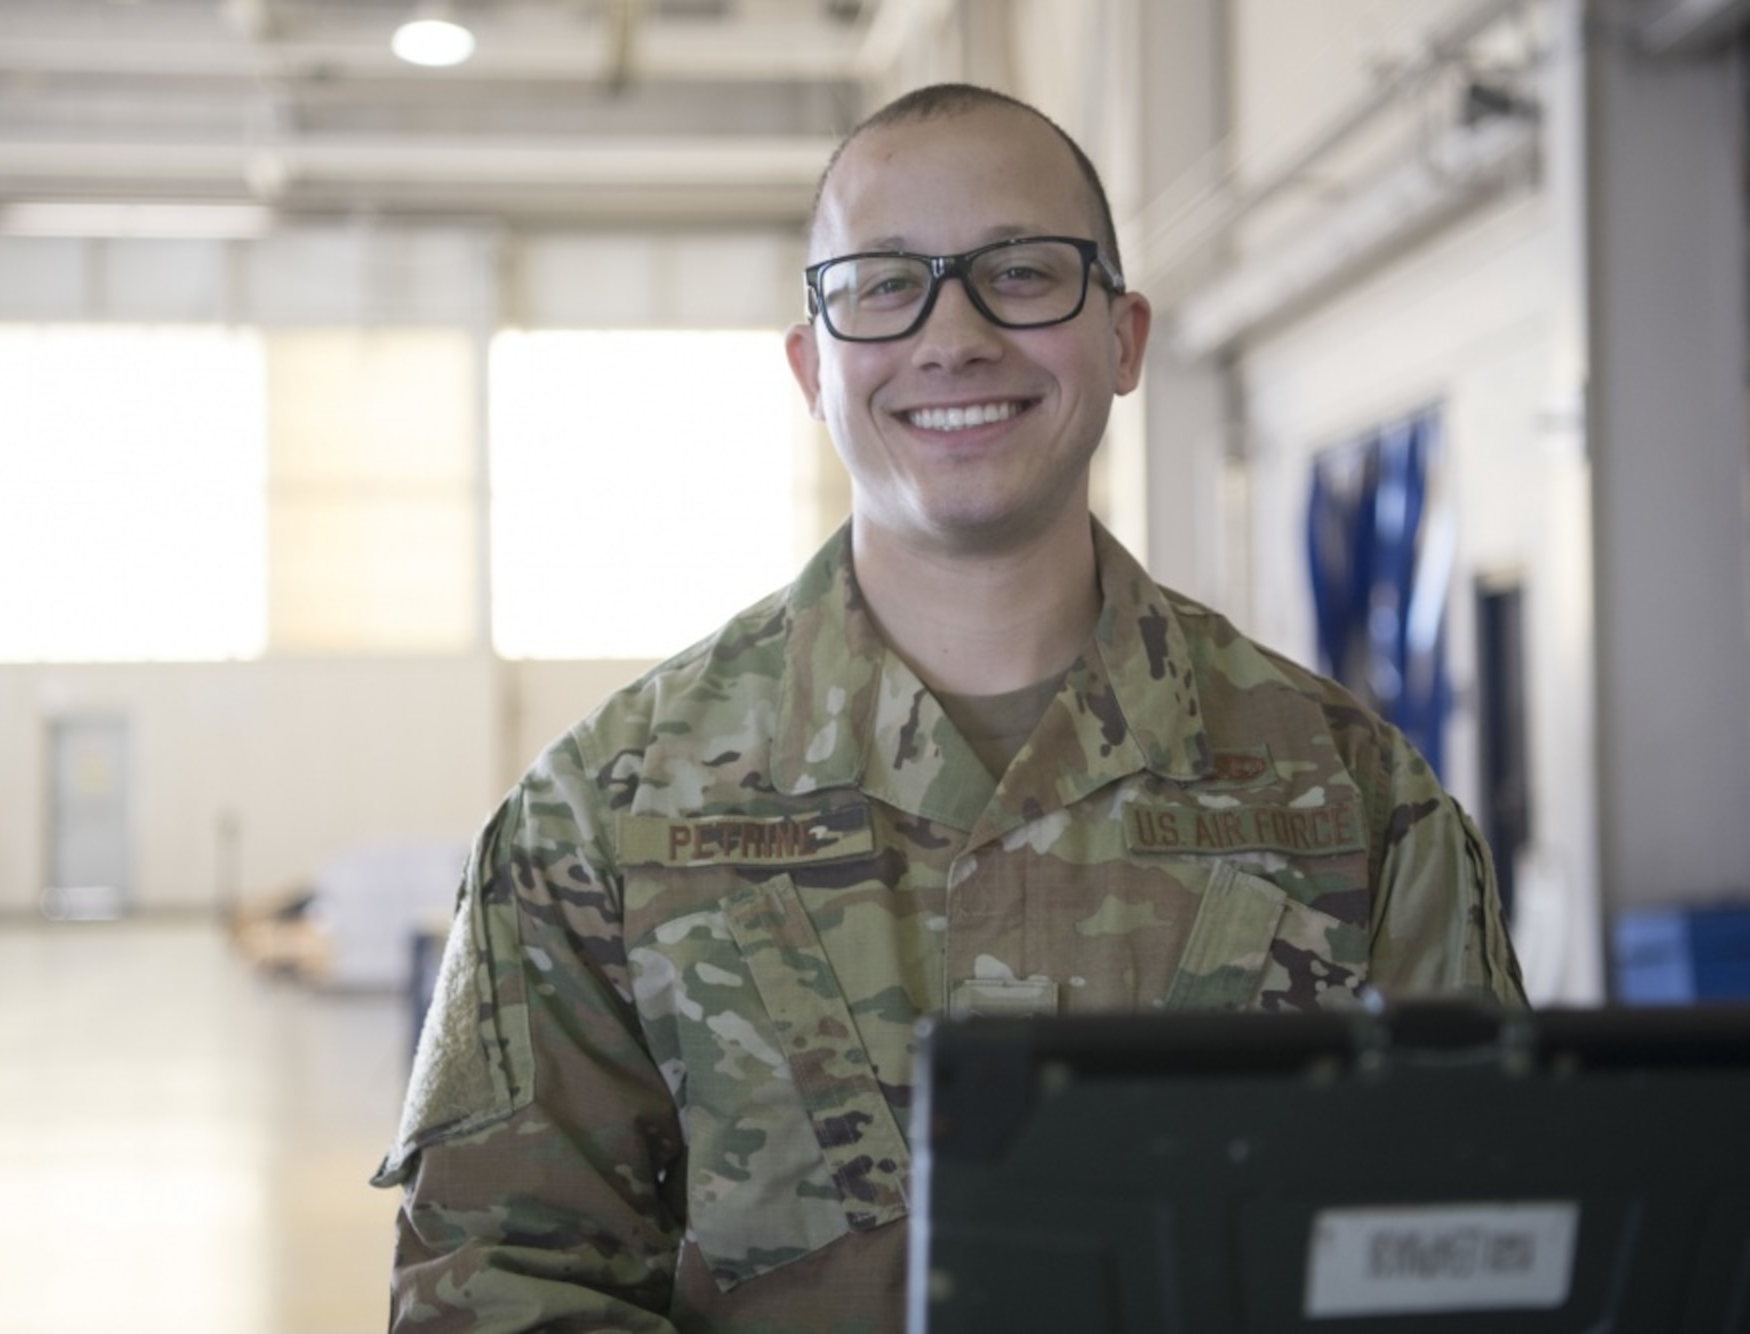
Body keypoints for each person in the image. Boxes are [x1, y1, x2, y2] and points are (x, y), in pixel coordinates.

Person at [373, 82, 1525, 1331]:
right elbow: (494, 1284)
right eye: (882, 284)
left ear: (1124, 337)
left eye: (1020, 272)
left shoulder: (1350, 798)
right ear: (812, 367)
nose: (954, 334)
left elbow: (1477, 1245)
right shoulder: (601, 817)